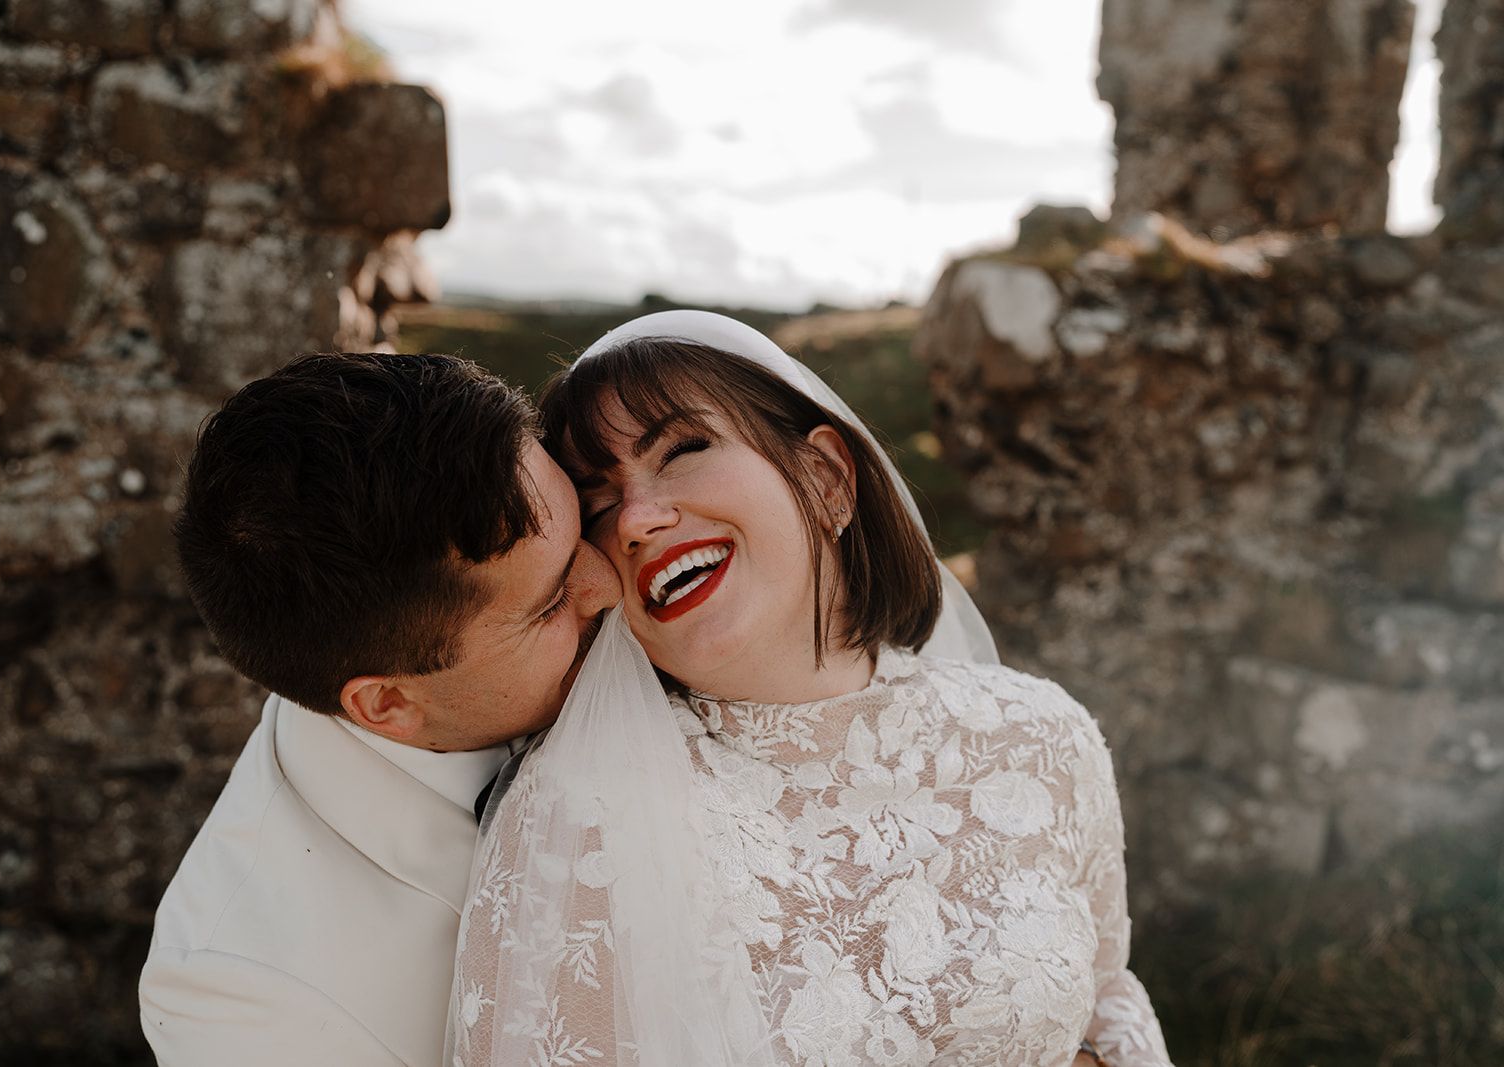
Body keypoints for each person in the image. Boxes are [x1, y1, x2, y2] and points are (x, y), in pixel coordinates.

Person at [449, 312, 1172, 1066]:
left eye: (683, 449)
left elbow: (1105, 995)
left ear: (827, 478)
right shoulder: (581, 817)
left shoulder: (1041, 737)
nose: (636, 517)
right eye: (599, 503)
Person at [139, 352, 619, 1066]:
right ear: (388, 702)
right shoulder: (247, 1000)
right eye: (551, 602)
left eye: (584, 522)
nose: (609, 583)